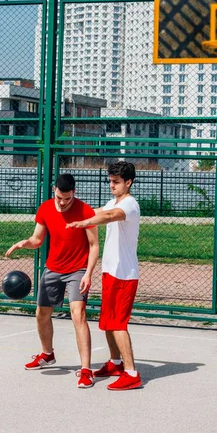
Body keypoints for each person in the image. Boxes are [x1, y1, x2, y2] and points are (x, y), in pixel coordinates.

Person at [5, 173, 99, 389]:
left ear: (74, 193)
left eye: (67, 198)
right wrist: (24, 243)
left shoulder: (86, 211)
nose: (63, 202)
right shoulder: (46, 208)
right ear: (54, 191)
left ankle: (85, 370)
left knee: (78, 315)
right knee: (41, 314)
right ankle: (47, 354)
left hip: (78, 269)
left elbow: (94, 245)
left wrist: (88, 273)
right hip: (54, 267)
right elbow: (37, 240)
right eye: (59, 198)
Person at [66, 161, 142, 391]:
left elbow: (109, 216)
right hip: (110, 273)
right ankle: (116, 363)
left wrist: (85, 222)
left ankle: (131, 373)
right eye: (110, 181)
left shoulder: (129, 205)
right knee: (108, 322)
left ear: (128, 182)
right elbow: (99, 211)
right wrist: (69, 211)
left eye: (116, 182)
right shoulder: (113, 201)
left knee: (118, 323)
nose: (112, 185)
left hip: (124, 275)